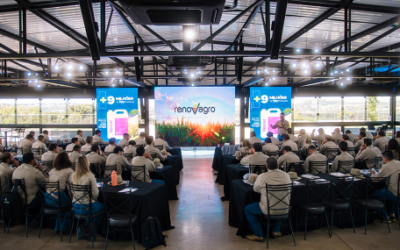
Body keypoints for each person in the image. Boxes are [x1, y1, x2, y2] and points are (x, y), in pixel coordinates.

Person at [245, 158, 291, 241]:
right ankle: (276, 231)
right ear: (278, 165)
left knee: (247, 209)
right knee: (279, 204)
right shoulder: (286, 175)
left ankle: (258, 234)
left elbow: (255, 189)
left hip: (268, 209)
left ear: (266, 167)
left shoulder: (262, 176)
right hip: (285, 209)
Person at [12, 153, 47, 227]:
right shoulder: (35, 172)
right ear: (31, 161)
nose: (35, 160)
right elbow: (46, 182)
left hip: (17, 199)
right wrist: (41, 170)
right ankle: (37, 220)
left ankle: (31, 218)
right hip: (30, 200)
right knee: (48, 198)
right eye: (34, 159)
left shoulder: (16, 170)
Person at [69, 156, 104, 228]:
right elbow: (95, 194)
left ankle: (87, 226)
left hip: (75, 206)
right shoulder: (90, 176)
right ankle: (92, 228)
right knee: (104, 207)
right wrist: (95, 199)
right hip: (87, 207)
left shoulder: (72, 176)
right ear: (86, 163)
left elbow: (72, 192)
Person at [46, 152, 74, 232]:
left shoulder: (52, 170)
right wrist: (73, 201)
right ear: (67, 160)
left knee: (62, 206)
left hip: (47, 197)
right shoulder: (69, 171)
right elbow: (70, 188)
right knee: (71, 208)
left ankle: (57, 227)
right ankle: (64, 228)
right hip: (58, 197)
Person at [370, 151, 400, 223]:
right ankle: (391, 213)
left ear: (385, 159)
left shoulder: (387, 166)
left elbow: (375, 179)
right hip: (397, 191)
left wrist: (373, 174)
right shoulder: (398, 162)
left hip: (395, 195)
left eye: (382, 158)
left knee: (373, 194)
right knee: (389, 190)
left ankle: (384, 216)